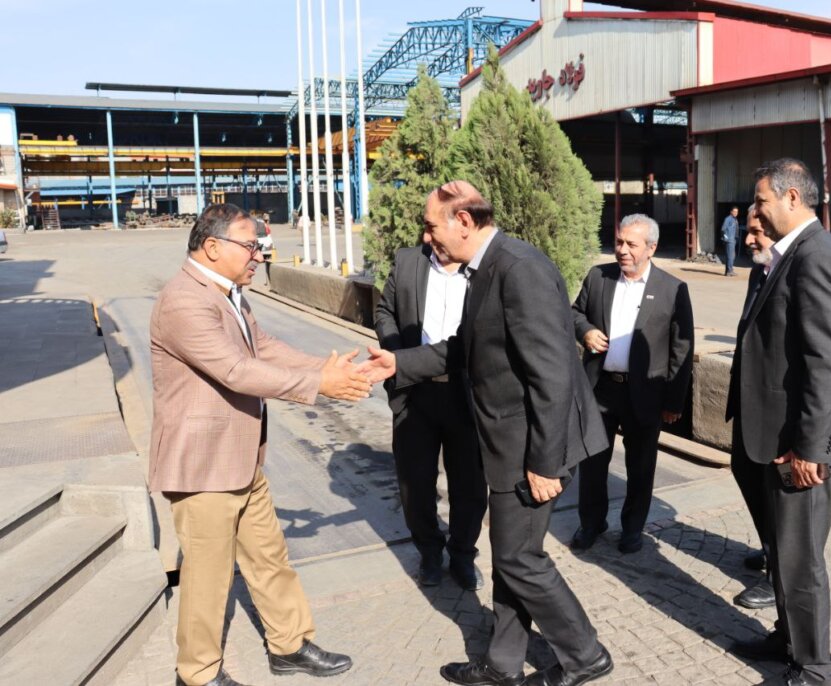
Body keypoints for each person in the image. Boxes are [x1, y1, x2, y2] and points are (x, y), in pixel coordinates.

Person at [360, 181, 613, 686]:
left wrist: (545, 463)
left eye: (431, 226)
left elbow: (553, 375)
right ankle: (503, 663)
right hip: (510, 443)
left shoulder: (519, 270)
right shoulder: (485, 268)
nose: (426, 237)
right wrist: (400, 362)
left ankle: (585, 655)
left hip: (533, 447)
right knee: (512, 557)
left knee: (520, 558)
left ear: (463, 222)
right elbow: (464, 348)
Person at [149, 203, 369, 686]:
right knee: (209, 576)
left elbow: (262, 347)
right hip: (204, 466)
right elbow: (236, 370)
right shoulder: (184, 300)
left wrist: (324, 368)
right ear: (212, 247)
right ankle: (198, 673)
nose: (260, 255)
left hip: (242, 458)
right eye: (251, 246)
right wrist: (320, 386)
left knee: (269, 558)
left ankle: (289, 646)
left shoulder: (227, 293)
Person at [726, 160, 831, 686]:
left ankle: (815, 668)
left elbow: (827, 362)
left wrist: (810, 449)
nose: (755, 211)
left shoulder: (816, 255)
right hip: (770, 434)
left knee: (800, 561)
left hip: (798, 445)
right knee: (782, 552)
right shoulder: (787, 254)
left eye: (761, 201)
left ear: (791, 198)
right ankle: (787, 639)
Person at [568, 213, 694, 554]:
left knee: (640, 466)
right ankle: (591, 523)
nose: (622, 250)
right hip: (600, 388)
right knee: (593, 463)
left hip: (645, 394)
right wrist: (585, 331)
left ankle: (633, 528)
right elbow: (575, 313)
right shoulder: (599, 277)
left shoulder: (672, 289)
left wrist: (674, 402)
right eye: (619, 242)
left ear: (651, 248)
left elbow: (681, 350)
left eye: (631, 244)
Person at [374, 242, 488, 590]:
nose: (429, 236)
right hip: (415, 392)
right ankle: (429, 553)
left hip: (465, 393)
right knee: (415, 483)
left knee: (469, 485)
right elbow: (384, 311)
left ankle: (463, 554)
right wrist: (400, 359)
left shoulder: (484, 269)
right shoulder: (408, 260)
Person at [726, 205, 777, 611]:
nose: (747, 239)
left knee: (776, 490)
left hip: (775, 407)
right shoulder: (760, 270)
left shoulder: (794, 272)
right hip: (748, 398)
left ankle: (781, 573)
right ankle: (770, 545)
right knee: (744, 470)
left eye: (756, 232)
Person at [721, 206, 740, 276]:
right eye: (734, 211)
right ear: (731, 212)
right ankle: (729, 271)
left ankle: (728, 271)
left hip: (733, 240)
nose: (736, 213)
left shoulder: (735, 219)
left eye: (737, 212)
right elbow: (723, 229)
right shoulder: (728, 219)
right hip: (730, 240)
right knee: (730, 256)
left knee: (731, 256)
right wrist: (726, 238)